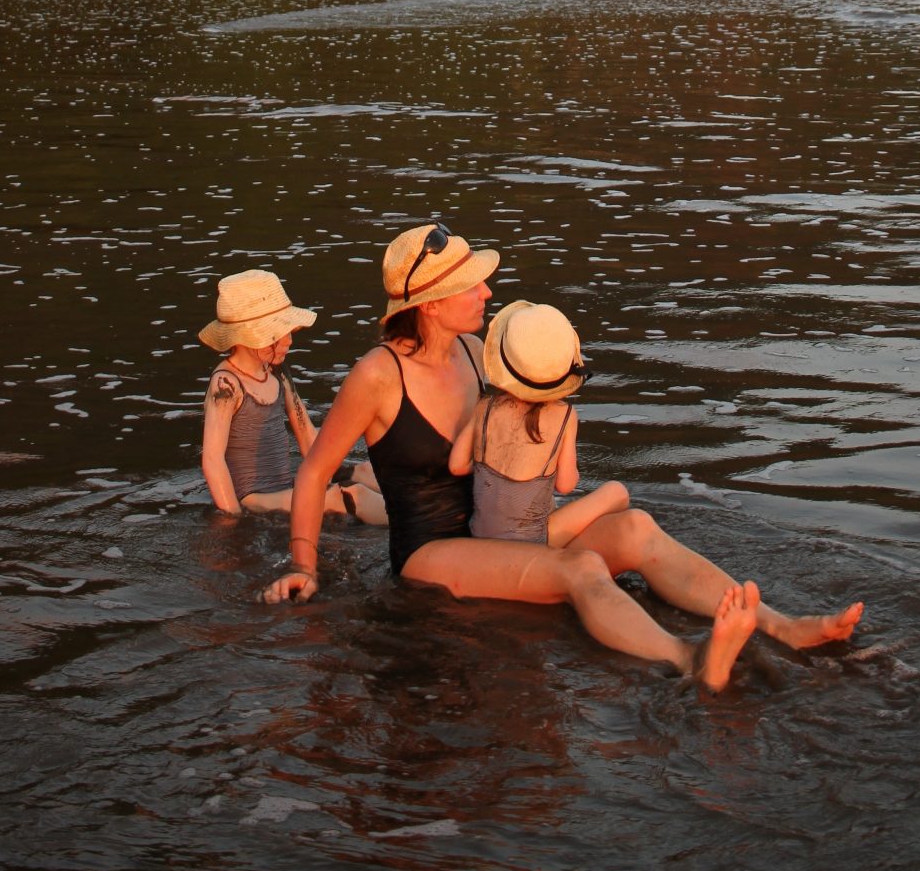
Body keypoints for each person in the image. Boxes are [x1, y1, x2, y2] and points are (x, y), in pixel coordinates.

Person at [260, 225, 830, 692]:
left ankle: (783, 627)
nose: (487, 292)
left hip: (501, 529)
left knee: (633, 527)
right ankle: (691, 659)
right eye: (473, 285)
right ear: (430, 304)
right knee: (580, 569)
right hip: (432, 553)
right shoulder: (377, 375)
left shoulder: (475, 350)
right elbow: (314, 472)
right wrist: (304, 567)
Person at [199, 269, 385, 524]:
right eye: (278, 334)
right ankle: (414, 524)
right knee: (346, 496)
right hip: (254, 499)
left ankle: (431, 504)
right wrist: (233, 518)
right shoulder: (227, 385)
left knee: (367, 473)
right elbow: (212, 459)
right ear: (249, 338)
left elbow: (306, 433)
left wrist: (330, 473)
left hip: (284, 487)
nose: (288, 340)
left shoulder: (277, 372)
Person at [448, 298, 630, 550]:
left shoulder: (484, 407)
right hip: (533, 540)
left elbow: (456, 466)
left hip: (479, 534)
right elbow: (566, 485)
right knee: (616, 491)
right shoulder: (564, 415)